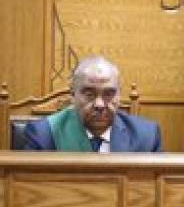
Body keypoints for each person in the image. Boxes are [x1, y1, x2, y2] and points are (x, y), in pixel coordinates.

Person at [23, 56, 162, 152]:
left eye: (108, 94)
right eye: (89, 94)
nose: (99, 104)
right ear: (72, 95)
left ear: (119, 96)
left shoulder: (146, 136)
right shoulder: (44, 134)